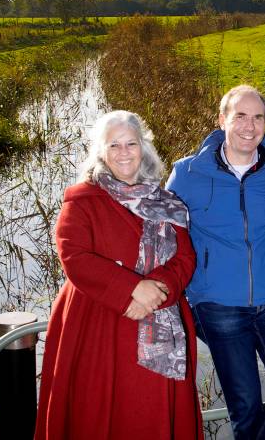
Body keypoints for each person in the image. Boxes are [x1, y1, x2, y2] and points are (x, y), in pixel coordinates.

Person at [35, 110, 202, 440]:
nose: (124, 152)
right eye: (114, 146)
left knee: (152, 417)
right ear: (100, 152)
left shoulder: (166, 202)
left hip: (159, 320)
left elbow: (185, 257)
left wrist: (158, 291)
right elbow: (75, 256)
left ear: (144, 148)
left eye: (131, 143)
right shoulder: (81, 201)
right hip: (97, 326)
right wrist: (132, 289)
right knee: (96, 415)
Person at [166, 85, 265, 440]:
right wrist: (186, 290)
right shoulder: (186, 174)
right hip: (218, 306)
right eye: (240, 116)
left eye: (258, 117)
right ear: (222, 120)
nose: (250, 125)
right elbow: (166, 237)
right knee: (244, 407)